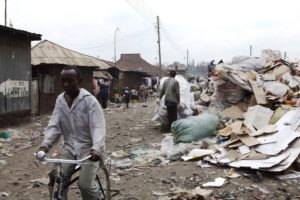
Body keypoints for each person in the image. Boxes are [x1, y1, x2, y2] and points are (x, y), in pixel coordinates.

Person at [38, 66, 106, 200]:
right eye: (63, 81)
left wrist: (96, 148)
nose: (66, 84)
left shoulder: (89, 101)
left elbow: (98, 127)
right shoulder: (60, 100)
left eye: (70, 81)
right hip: (70, 147)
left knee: (85, 185)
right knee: (55, 176)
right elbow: (54, 126)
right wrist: (45, 145)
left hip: (90, 150)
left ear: (79, 81)